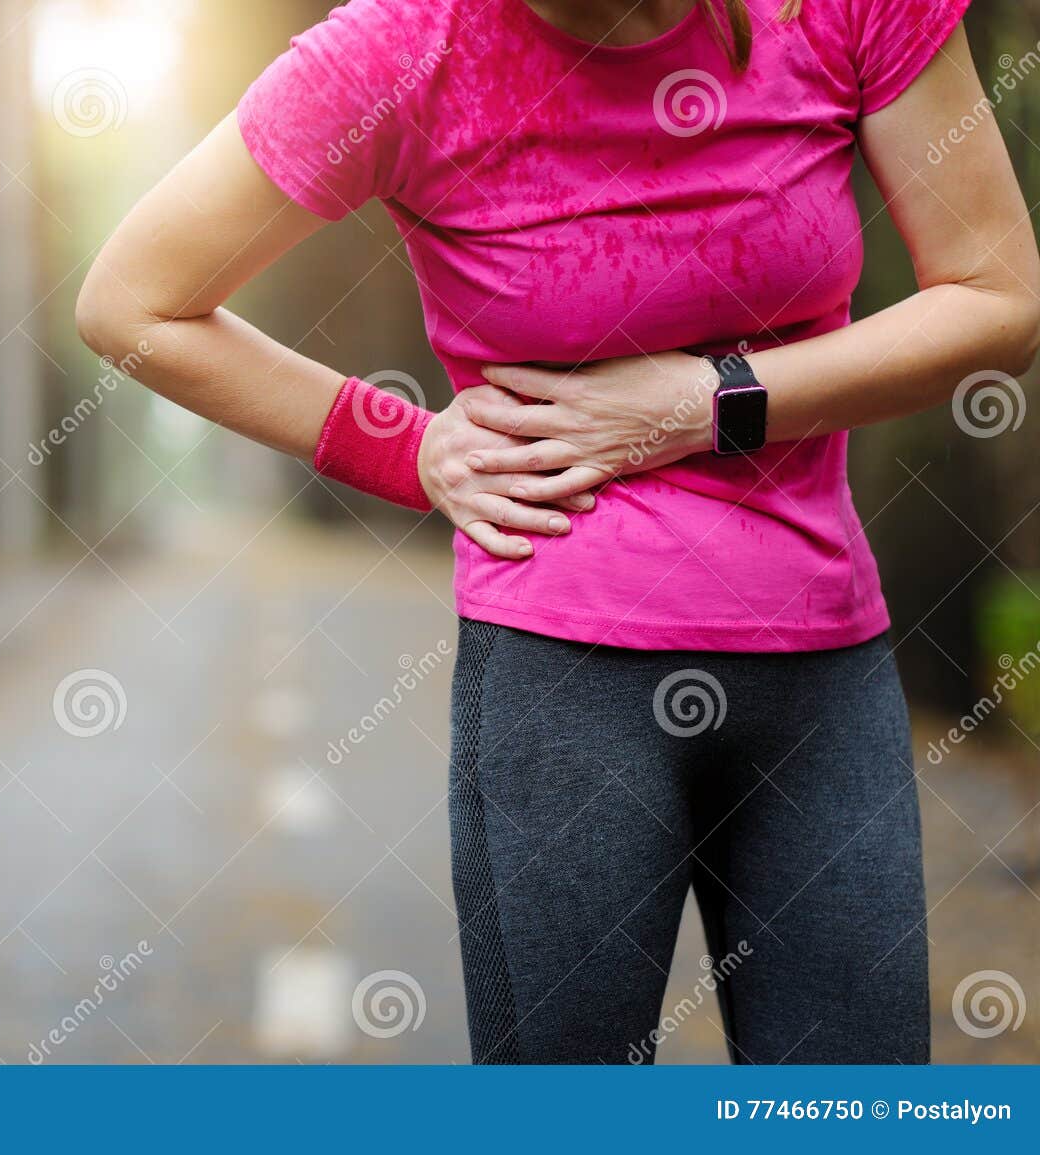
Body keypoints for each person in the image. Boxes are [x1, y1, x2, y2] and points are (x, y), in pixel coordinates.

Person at [75, 0, 1039, 1063]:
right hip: (563, 679)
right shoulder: (404, 49)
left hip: (821, 669)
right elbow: (133, 304)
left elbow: (994, 294)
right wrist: (402, 449)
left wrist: (706, 402)